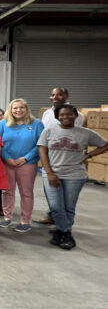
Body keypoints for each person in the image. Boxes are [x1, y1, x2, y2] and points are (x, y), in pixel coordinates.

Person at [38, 104, 108, 250]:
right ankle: (66, 232)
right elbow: (42, 152)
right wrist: (50, 172)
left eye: (69, 114)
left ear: (76, 116)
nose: (65, 117)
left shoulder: (85, 133)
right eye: (62, 115)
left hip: (75, 174)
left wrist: (89, 155)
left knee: (69, 207)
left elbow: (105, 144)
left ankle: (61, 232)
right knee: (56, 206)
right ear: (57, 117)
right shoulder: (49, 131)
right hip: (52, 172)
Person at [36, 87, 86, 225]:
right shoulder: (46, 113)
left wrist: (87, 155)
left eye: (59, 94)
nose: (55, 97)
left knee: (66, 195)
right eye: (52, 94)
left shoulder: (78, 115)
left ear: (66, 96)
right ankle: (53, 215)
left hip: (67, 159)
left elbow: (79, 135)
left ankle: (62, 225)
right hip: (49, 158)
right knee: (51, 191)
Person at [0, 99, 44, 232]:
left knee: (26, 193)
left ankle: (25, 220)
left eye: (21, 108)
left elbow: (40, 144)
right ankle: (7, 217)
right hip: (7, 163)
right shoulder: (3, 123)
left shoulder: (37, 124)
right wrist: (7, 158)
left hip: (28, 163)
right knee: (7, 191)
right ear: (10, 110)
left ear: (26, 109)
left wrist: (26, 158)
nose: (18, 110)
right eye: (15, 108)